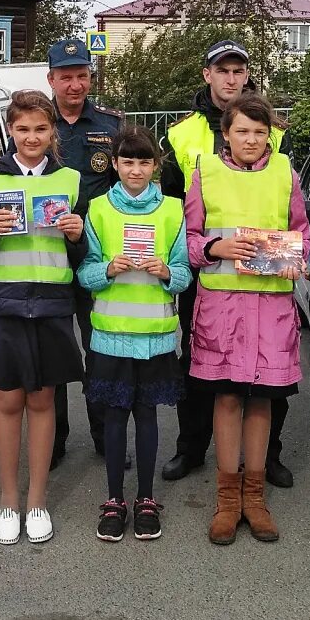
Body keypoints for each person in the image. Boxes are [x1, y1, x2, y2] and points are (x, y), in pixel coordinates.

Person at [159, 40, 297, 489]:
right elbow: (172, 206)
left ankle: (266, 457)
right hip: (210, 277)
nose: (231, 78)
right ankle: (192, 447)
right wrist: (200, 250)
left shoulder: (274, 132)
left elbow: (291, 213)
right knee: (200, 366)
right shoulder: (182, 135)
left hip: (267, 281)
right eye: (223, 71)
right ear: (207, 75)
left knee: (267, 375)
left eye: (239, 70)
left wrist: (288, 255)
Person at [184, 93, 310, 545]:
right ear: (226, 134)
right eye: (243, 131)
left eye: (260, 132)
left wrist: (296, 257)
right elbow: (188, 239)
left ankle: (255, 499)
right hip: (223, 311)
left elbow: (302, 233)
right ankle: (227, 500)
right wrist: (215, 248)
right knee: (228, 400)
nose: (252, 139)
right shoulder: (206, 174)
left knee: (262, 403)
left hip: (272, 310)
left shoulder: (285, 173)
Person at [0, 90, 88, 545]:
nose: (31, 137)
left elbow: (84, 254)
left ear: (52, 131)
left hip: (53, 304)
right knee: (7, 402)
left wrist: (76, 235)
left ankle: (37, 501)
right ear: (9, 132)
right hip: (4, 305)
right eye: (22, 129)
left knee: (42, 402)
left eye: (40, 128)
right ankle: (7, 502)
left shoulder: (71, 179)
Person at [78, 126, 191, 542]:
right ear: (115, 164)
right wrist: (106, 269)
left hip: (156, 336)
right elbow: (85, 272)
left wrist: (167, 273)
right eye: (128, 161)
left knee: (146, 416)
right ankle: (113, 499)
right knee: (114, 417)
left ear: (155, 166)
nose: (136, 169)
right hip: (109, 335)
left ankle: (145, 498)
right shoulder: (98, 209)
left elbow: (183, 274)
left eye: (144, 162)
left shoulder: (173, 211)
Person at [42, 38, 123, 470]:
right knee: (55, 355)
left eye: (82, 75)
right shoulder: (37, 123)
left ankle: (104, 436)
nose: (75, 85)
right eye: (66, 76)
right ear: (51, 79)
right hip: (48, 256)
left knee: (101, 351)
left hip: (97, 257)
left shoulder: (111, 125)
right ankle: (52, 441)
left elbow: (128, 187)